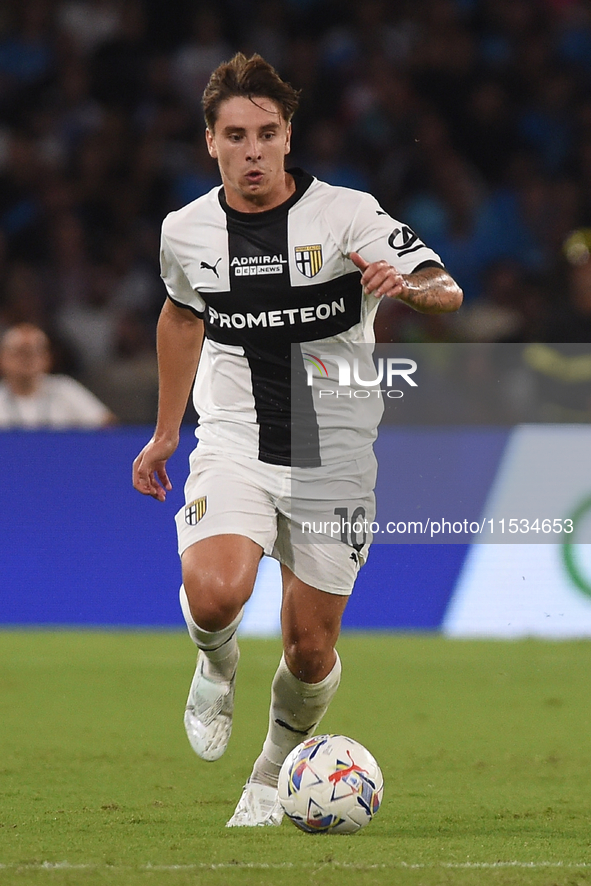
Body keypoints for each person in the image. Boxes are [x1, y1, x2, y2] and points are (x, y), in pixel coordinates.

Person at [132, 53, 462, 827]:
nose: (253, 151)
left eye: (267, 134)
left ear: (288, 137)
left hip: (332, 447)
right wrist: (164, 432)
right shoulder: (185, 231)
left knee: (310, 650)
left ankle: (271, 773)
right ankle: (215, 668)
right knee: (216, 593)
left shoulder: (348, 215)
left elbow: (444, 290)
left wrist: (408, 288)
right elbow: (181, 316)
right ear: (208, 141)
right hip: (236, 433)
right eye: (236, 135)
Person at [0, 322, 115, 429]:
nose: (27, 359)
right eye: (20, 352)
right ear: (3, 358)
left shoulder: (64, 389)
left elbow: (108, 425)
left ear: (47, 358)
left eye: (35, 352)